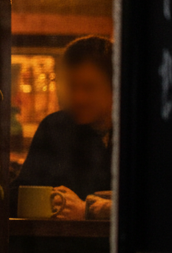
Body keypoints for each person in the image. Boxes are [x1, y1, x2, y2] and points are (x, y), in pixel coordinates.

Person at [14, 35, 114, 220]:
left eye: (89, 87)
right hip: (56, 246)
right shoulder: (54, 127)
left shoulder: (139, 130)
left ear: (114, 87)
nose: (78, 98)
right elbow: (22, 193)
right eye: (72, 86)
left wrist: (86, 210)